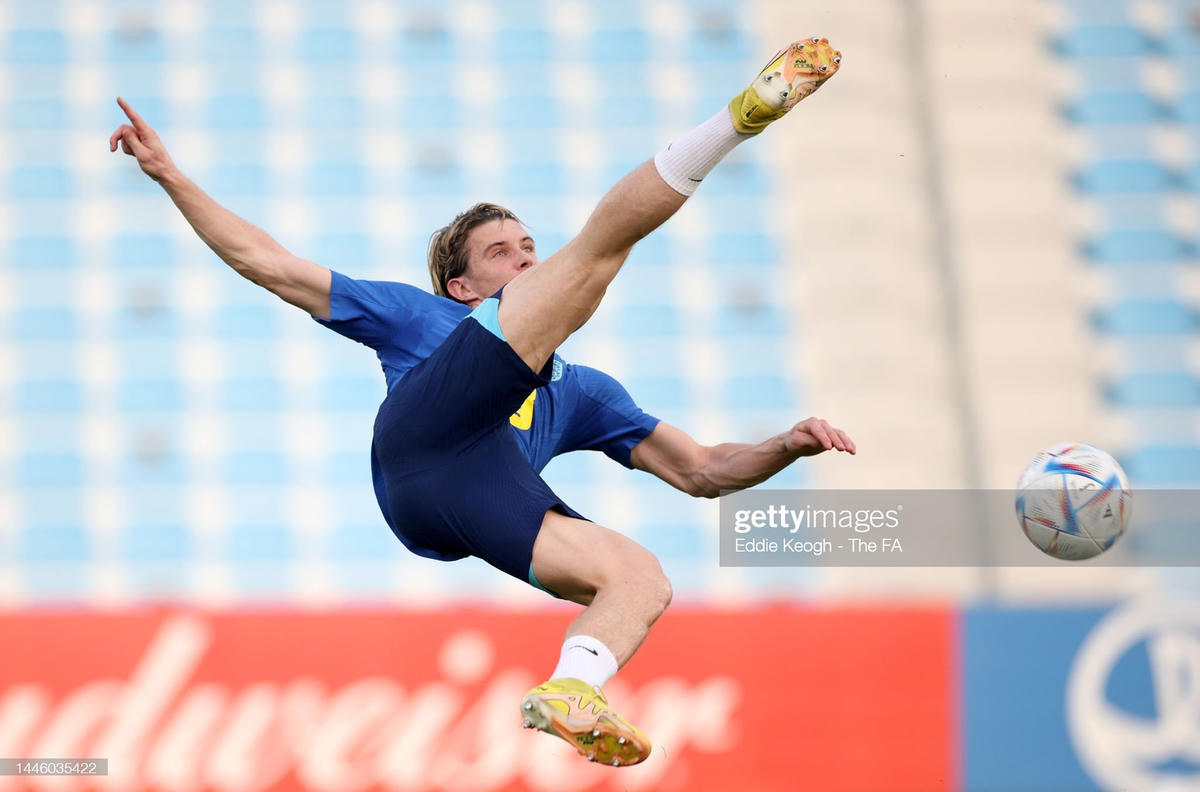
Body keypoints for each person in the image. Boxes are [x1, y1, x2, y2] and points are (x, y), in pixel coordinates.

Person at [110, 36, 851, 767]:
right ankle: (743, 116)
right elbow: (266, 264)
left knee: (640, 579)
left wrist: (784, 446)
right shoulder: (420, 316)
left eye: (529, 245)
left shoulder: (581, 391)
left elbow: (702, 472)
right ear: (461, 289)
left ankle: (571, 690)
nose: (526, 258)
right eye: (502, 252)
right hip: (422, 443)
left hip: (470, 498)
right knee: (602, 252)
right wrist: (170, 174)